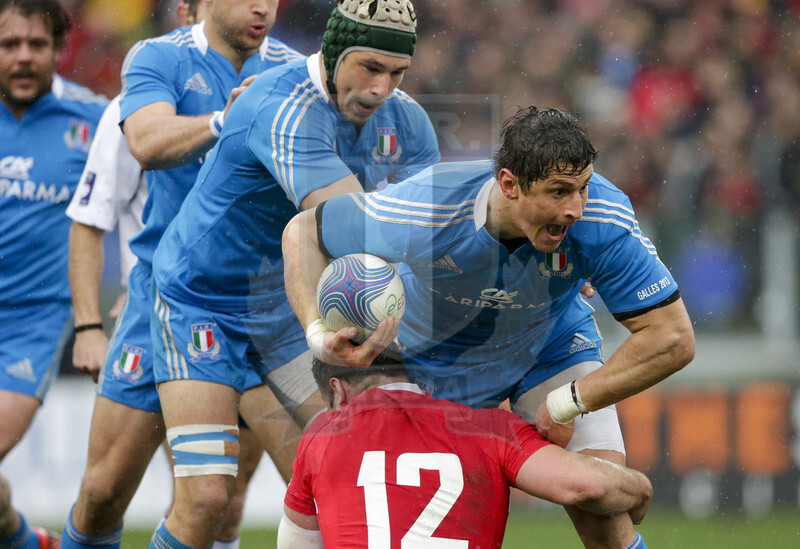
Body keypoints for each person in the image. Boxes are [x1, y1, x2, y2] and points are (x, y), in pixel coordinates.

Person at [283, 106, 696, 549]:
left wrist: (567, 403)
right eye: (558, 192)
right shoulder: (424, 208)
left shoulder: (602, 218)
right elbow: (302, 232)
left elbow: (672, 338)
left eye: (582, 188)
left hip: (550, 348)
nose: (575, 208)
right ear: (508, 184)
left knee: (604, 515)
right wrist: (315, 332)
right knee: (386, 515)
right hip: (433, 364)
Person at [147, 1, 440, 547]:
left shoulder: (408, 121)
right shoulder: (280, 105)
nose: (382, 89)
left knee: (342, 473)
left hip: (282, 310)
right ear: (332, 54)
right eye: (369, 68)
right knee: (207, 498)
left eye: (397, 73)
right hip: (202, 302)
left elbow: (432, 228)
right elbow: (355, 228)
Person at [59, 2, 305, 549]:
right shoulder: (155, 63)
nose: (262, 5)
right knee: (103, 494)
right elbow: (140, 151)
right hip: (164, 301)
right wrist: (88, 326)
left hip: (263, 309)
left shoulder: (297, 74)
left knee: (239, 496)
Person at [278, 348, 653, 548]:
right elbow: (588, 485)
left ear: (337, 392)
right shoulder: (492, 427)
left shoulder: (322, 436)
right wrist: (640, 489)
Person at [0, 0, 106, 548]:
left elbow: (143, 203)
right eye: (9, 44)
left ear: (60, 49)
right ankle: (23, 541)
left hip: (31, 322)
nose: (23, 57)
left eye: (36, 45)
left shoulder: (93, 120)